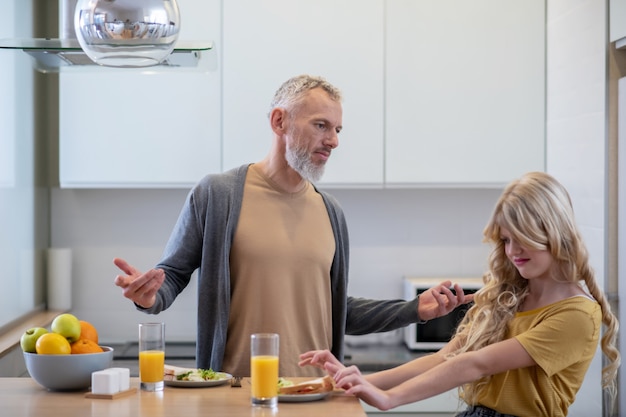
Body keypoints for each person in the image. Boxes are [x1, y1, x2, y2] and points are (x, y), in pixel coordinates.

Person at [113, 74, 473, 377]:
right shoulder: (218, 194)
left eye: (337, 129)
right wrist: (150, 297)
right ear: (279, 121)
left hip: (316, 393)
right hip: (236, 393)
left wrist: (414, 309)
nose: (333, 140)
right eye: (320, 125)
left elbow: (335, 311)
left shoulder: (330, 211)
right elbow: (172, 273)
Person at [299, 171, 621, 417]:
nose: (513, 251)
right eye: (506, 240)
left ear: (555, 232)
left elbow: (476, 363)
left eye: (523, 237)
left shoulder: (577, 314)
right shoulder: (510, 296)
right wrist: (356, 382)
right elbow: (446, 357)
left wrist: (390, 399)